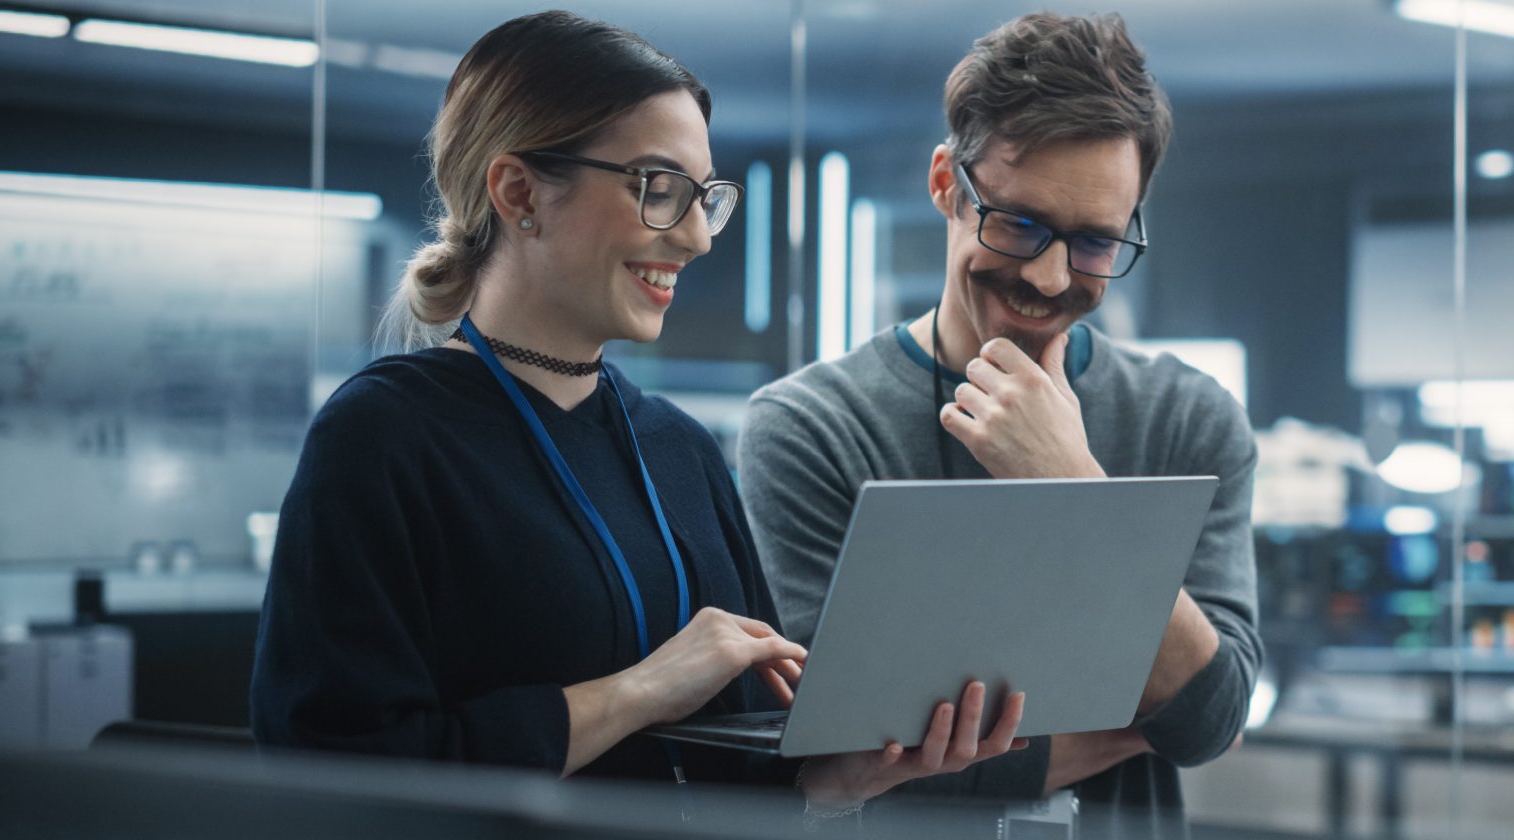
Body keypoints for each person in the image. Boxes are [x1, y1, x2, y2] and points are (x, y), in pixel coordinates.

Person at [250, 10, 1020, 813]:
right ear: (520, 193)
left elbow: (742, 769)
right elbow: (329, 774)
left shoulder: (678, 450)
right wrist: (642, 689)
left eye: (704, 198)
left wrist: (834, 782)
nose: (695, 238)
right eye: (659, 189)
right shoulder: (383, 438)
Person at [738, 12, 1259, 837]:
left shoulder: (1189, 417)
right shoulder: (809, 426)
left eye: (1094, 242)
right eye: (1018, 223)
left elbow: (1210, 719)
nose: (1051, 277)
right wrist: (1140, 715)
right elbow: (832, 752)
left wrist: (1072, 484)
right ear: (947, 183)